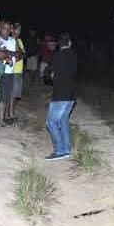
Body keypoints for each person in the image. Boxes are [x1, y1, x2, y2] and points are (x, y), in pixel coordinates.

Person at [45, 33, 76, 161]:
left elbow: (48, 73)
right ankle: (66, 149)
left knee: (51, 122)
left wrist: (52, 75)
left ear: (59, 44)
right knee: (63, 121)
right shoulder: (74, 55)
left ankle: (60, 150)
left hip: (60, 95)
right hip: (71, 95)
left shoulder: (57, 56)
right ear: (69, 43)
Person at [0, 20, 16, 126]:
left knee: (6, 96)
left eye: (9, 29)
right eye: (5, 28)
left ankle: (2, 118)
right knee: (0, 96)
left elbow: (19, 54)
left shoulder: (12, 40)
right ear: (0, 29)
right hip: (0, 71)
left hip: (10, 72)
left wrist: (9, 53)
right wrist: (10, 54)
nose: (7, 31)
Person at [9, 22, 25, 120]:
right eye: (18, 29)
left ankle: (12, 112)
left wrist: (19, 53)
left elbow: (22, 54)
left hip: (19, 70)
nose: (19, 32)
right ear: (12, 30)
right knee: (12, 93)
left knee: (16, 94)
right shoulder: (10, 40)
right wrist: (19, 54)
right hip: (13, 70)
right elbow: (17, 56)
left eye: (20, 30)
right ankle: (10, 113)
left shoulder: (19, 40)